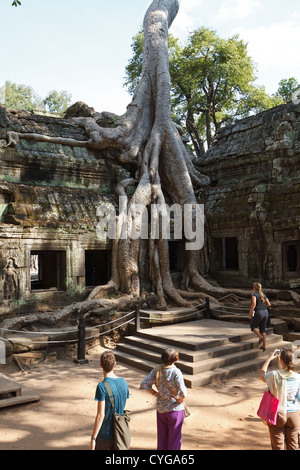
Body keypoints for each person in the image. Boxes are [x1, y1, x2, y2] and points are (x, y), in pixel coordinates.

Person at [139, 347, 187, 450]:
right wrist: (180, 399)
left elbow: (144, 384)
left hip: (161, 409)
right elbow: (183, 392)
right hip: (175, 409)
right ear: (176, 359)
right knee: (174, 438)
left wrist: (155, 393)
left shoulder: (157, 370)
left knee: (162, 438)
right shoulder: (176, 372)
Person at [259, 348, 300, 450]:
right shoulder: (298, 377)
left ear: (280, 359)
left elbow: (261, 374)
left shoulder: (273, 375)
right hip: (294, 415)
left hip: (277, 414)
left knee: (278, 446)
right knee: (294, 445)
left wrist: (269, 359)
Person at [90, 350, 129, 450]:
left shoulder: (101, 387)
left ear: (100, 365)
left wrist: (93, 438)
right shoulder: (124, 382)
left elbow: (100, 415)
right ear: (115, 364)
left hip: (105, 433)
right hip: (119, 431)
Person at [249, 282, 271, 352]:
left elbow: (254, 303)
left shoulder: (254, 294)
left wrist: (251, 312)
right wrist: (264, 308)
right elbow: (269, 304)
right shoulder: (263, 294)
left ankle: (260, 337)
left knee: (253, 326)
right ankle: (264, 346)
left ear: (254, 288)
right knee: (262, 330)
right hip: (265, 312)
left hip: (259, 312)